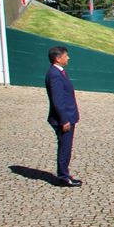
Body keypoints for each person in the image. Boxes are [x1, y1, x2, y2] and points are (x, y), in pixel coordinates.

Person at [44, 45, 82, 186]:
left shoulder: (59, 72)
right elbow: (57, 100)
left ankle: (64, 174)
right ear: (58, 58)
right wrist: (64, 120)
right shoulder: (54, 74)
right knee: (65, 147)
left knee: (66, 146)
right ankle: (63, 177)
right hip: (63, 119)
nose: (68, 58)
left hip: (67, 116)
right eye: (66, 55)